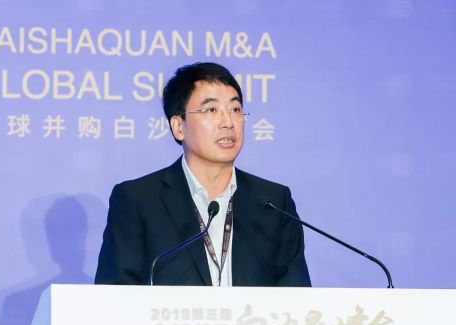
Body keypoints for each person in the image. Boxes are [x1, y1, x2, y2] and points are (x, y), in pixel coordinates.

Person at [95, 62, 310, 287]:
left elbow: (297, 295)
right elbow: (115, 293)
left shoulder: (274, 203)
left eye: (235, 109)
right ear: (179, 126)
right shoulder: (138, 201)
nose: (228, 122)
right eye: (211, 110)